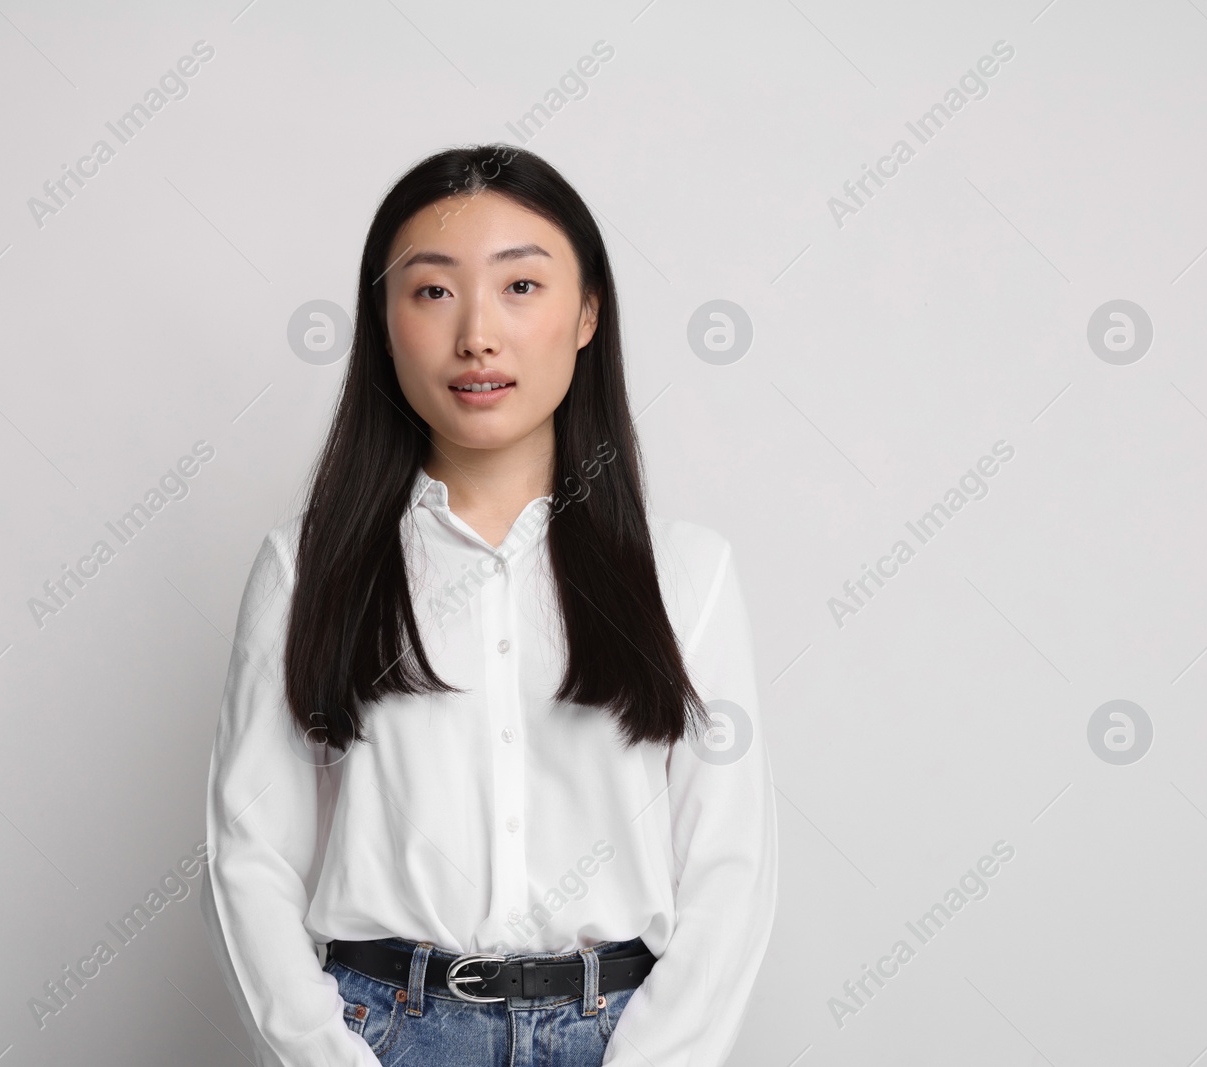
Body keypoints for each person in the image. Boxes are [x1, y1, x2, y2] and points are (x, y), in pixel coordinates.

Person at [201, 143, 777, 1066]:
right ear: (383, 322)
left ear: (587, 313)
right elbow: (248, 858)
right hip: (383, 1034)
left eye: (521, 287)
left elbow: (729, 872)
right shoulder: (307, 567)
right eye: (433, 291)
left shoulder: (686, 572)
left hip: (618, 1035)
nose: (477, 334)